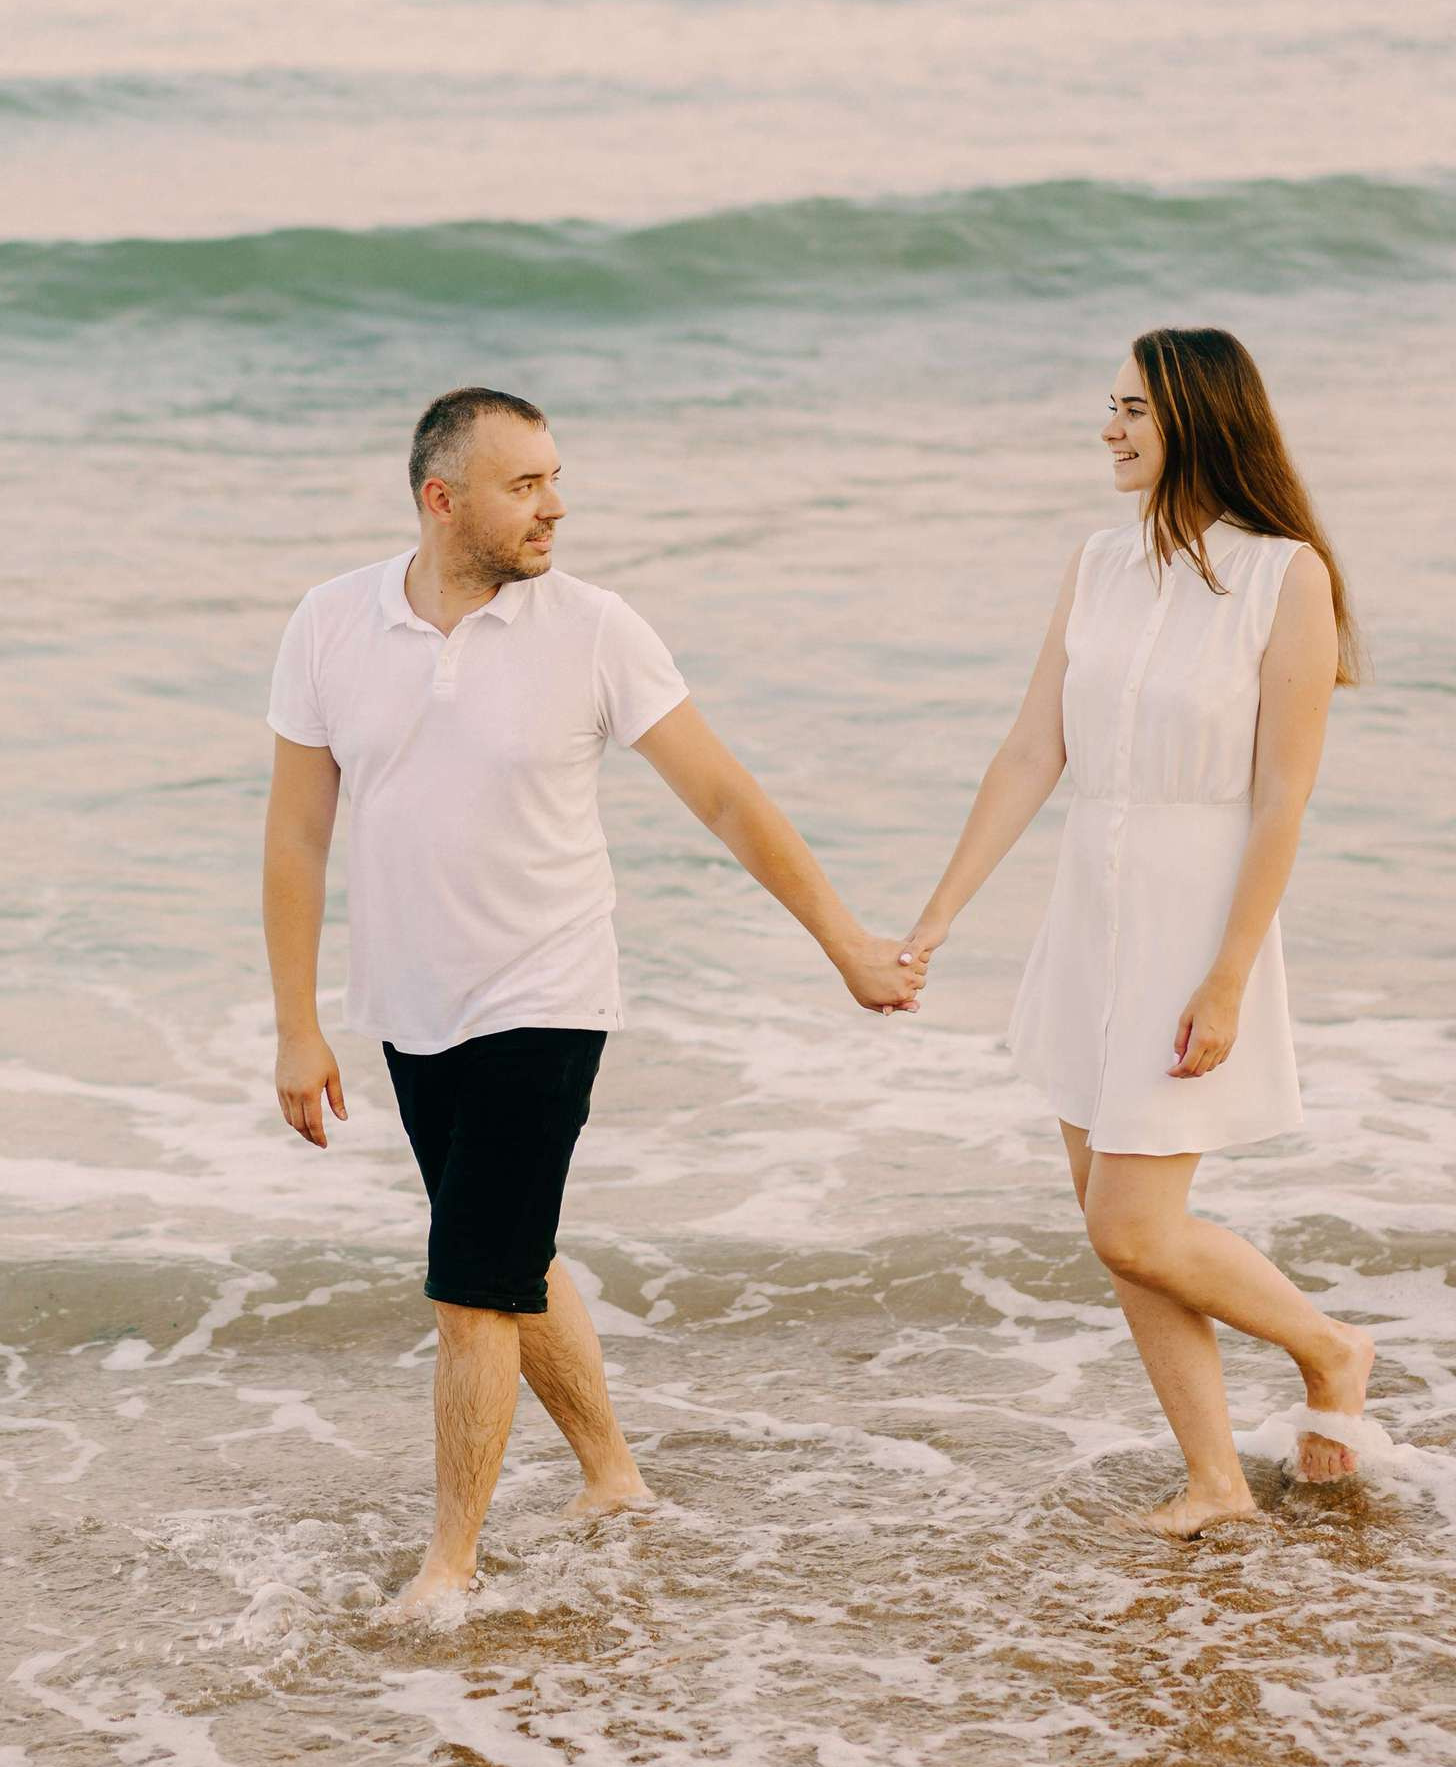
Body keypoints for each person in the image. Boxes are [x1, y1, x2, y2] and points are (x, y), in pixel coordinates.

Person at [263, 385, 924, 1618]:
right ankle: (613, 1476)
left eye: (556, 478)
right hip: (410, 1002)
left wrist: (843, 943)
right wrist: (297, 1024)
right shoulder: (329, 623)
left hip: (547, 990)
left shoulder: (594, 629)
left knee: (469, 1283)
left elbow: (723, 797)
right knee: (509, 1255)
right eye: (524, 485)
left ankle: (447, 1569)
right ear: (441, 499)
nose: (554, 506)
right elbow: (296, 833)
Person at [903, 327, 1371, 1537]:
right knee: (1120, 1236)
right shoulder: (1096, 564)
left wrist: (1225, 978)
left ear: (1197, 421)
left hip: (1190, 916)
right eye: (1107, 406)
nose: (1107, 429)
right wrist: (939, 915)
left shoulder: (1285, 578)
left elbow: (1281, 798)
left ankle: (1328, 1350)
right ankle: (1214, 1482)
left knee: (1132, 1222)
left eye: (1132, 410)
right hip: (1087, 916)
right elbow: (1031, 751)